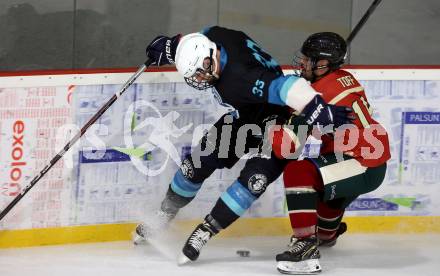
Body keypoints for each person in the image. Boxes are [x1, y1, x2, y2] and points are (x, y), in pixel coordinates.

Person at [134, 26, 353, 265]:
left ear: (210, 58)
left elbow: (287, 87)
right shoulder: (214, 37)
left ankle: (206, 230)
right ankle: (166, 212)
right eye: (194, 75)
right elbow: (198, 36)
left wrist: (318, 108)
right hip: (247, 114)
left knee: (253, 180)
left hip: (284, 119)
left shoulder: (241, 77)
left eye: (200, 72)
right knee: (196, 164)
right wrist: (173, 46)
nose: (199, 79)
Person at [270, 32, 391, 274]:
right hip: (369, 159)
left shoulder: (316, 95)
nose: (302, 63)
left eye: (308, 60)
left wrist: (283, 114)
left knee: (298, 172)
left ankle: (305, 248)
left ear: (323, 64)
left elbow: (285, 149)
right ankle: (326, 234)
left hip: (361, 162)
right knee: (325, 204)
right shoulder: (344, 77)